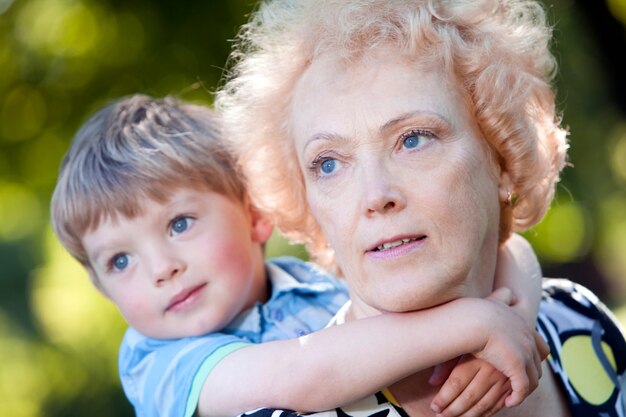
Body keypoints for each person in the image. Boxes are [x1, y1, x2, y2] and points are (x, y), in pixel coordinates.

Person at [215, 0, 626, 416]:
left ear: (500, 158)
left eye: (413, 139)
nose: (375, 196)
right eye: (328, 164)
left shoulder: (580, 326)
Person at [50, 94, 547, 417]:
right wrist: (470, 323)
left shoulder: (308, 283)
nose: (162, 269)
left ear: (255, 216)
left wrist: (513, 326)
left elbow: (510, 249)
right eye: (120, 261)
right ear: (101, 286)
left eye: (179, 224)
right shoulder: (161, 363)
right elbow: (303, 375)